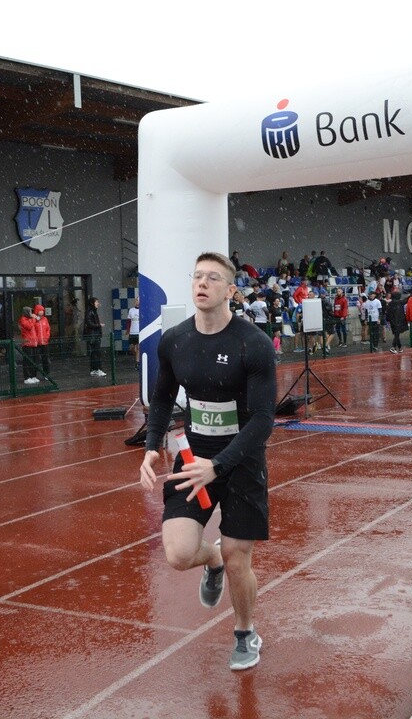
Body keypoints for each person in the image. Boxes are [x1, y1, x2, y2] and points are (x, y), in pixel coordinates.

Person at [139, 251, 276, 671]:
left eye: (213, 278)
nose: (202, 284)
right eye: (197, 276)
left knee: (239, 554)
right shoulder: (175, 340)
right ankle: (209, 559)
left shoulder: (251, 344)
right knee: (179, 554)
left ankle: (245, 632)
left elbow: (263, 420)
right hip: (193, 456)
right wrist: (151, 445)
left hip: (241, 460)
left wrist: (219, 466)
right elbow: (162, 398)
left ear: (230, 290)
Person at [84, 297, 106, 377]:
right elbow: (89, 323)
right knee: (96, 352)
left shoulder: (91, 311)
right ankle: (97, 369)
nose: (98, 303)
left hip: (94, 335)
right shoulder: (91, 312)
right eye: (96, 302)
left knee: (94, 353)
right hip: (94, 335)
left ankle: (94, 369)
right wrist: (98, 325)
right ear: (92, 303)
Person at [19, 306, 41, 384]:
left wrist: (35, 319)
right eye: (30, 312)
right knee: (28, 361)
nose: (31, 314)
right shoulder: (23, 319)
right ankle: (27, 377)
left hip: (34, 342)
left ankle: (33, 376)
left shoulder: (31, 319)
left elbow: (36, 324)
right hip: (27, 343)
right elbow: (29, 327)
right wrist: (34, 319)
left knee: (35, 360)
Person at [385, 289, 407, 353]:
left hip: (392, 321)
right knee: (397, 334)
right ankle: (393, 346)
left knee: (396, 334)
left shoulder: (390, 303)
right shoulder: (399, 302)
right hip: (398, 321)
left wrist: (388, 319)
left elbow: (388, 313)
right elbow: (405, 300)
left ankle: (399, 347)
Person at [33, 304, 52, 378]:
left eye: (42, 310)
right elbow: (32, 330)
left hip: (44, 342)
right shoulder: (34, 319)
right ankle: (34, 375)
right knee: (36, 360)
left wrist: (47, 337)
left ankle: (46, 374)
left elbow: (48, 329)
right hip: (37, 343)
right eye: (40, 310)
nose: (42, 312)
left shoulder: (45, 319)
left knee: (45, 359)